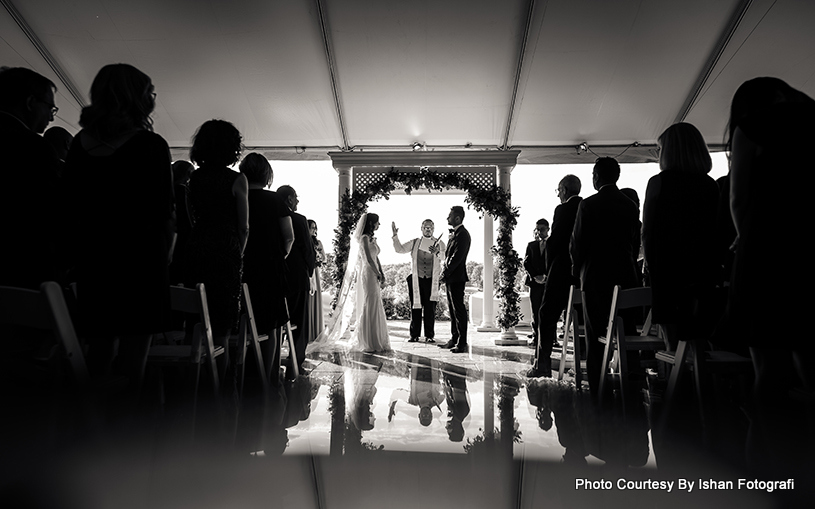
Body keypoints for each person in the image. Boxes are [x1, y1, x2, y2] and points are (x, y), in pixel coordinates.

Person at [62, 63, 176, 400]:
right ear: (136, 97)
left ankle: (92, 427)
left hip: (94, 262)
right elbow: (164, 213)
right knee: (134, 359)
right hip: (141, 262)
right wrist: (163, 260)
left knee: (97, 353)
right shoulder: (151, 146)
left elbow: (69, 208)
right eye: (150, 91)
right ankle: (126, 430)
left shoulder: (78, 146)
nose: (154, 97)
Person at [724, 77, 815, 475]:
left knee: (770, 371)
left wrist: (747, 241)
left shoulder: (752, 129)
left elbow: (739, 198)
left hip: (769, 253)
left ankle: (770, 471)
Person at [642, 122, 719, 351]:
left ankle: (676, 384)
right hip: (702, 269)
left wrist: (648, 263)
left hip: (667, 268)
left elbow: (648, 230)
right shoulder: (710, 185)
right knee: (699, 337)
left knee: (672, 343)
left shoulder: (658, 183)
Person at [570, 157, 641, 396]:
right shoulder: (629, 205)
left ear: (597, 176)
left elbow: (577, 245)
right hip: (626, 277)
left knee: (595, 335)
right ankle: (630, 385)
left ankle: (597, 389)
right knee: (627, 333)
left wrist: (576, 274)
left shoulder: (588, 205)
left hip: (596, 278)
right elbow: (635, 243)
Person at [185, 119, 248, 372]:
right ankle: (218, 387)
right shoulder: (237, 179)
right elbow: (244, 226)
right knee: (221, 326)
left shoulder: (194, 179)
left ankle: (192, 382)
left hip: (198, 247)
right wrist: (237, 252)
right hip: (226, 252)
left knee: (196, 318)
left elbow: (192, 219)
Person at [0, 67, 63, 289]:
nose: (50, 117)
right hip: (20, 271)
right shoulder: (33, 148)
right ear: (29, 102)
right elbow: (47, 214)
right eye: (49, 108)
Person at [239, 154, 293, 384]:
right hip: (270, 267)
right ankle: (268, 373)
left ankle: (242, 370)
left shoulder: (236, 196)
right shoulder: (275, 201)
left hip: (242, 266)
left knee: (241, 318)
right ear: (267, 174)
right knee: (272, 323)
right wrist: (279, 256)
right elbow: (288, 237)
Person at [306, 212, 390, 354]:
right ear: (371, 223)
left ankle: (379, 339)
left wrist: (382, 272)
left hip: (375, 272)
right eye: (377, 222)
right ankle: (369, 340)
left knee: (376, 303)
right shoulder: (363, 238)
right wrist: (377, 273)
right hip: (368, 273)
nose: (379, 225)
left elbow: (376, 258)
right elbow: (369, 260)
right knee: (370, 303)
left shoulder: (373, 239)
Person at [527, 175, 582, 378]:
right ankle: (581, 365)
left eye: (559, 190)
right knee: (580, 320)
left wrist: (551, 271)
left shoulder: (563, 209)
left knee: (546, 316)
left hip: (562, 274)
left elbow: (556, 242)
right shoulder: (587, 206)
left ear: (565, 190)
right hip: (582, 275)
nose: (558, 194)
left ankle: (542, 365)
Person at [277, 185, 317, 370]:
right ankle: (296, 358)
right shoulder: (299, 220)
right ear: (289, 199)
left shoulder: (271, 218)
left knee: (276, 319)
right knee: (299, 322)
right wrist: (309, 272)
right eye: (296, 197)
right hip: (297, 277)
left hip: (277, 275)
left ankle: (274, 355)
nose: (298, 201)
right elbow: (308, 251)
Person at [391, 219, 446, 343]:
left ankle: (429, 336)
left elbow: (446, 257)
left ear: (434, 229)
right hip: (417, 279)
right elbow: (399, 249)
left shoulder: (440, 243)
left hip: (432, 280)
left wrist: (437, 252)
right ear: (421, 228)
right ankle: (414, 335)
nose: (428, 229)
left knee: (430, 308)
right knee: (415, 307)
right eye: (425, 227)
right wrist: (395, 236)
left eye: (430, 227)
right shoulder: (415, 242)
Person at [439, 206, 471, 354]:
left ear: (457, 218)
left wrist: (445, 273)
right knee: (452, 311)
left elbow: (456, 258)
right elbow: (447, 257)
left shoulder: (463, 235)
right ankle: (454, 338)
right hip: (451, 277)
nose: (447, 218)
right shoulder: (455, 234)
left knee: (459, 310)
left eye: (449, 216)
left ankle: (462, 342)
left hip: (457, 277)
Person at [523, 219, 549, 346]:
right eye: (537, 229)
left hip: (548, 283)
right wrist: (535, 276)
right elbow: (526, 263)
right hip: (534, 283)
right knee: (535, 310)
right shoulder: (531, 245)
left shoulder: (553, 244)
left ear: (548, 229)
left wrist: (545, 277)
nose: (539, 232)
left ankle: (551, 338)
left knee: (549, 311)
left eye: (542, 229)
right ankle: (536, 337)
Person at [168, 160, 194, 286]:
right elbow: (188, 222)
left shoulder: (168, 192)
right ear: (188, 175)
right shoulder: (184, 193)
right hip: (183, 245)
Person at [305, 219, 326, 343]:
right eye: (311, 227)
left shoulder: (318, 243)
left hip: (315, 272)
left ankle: (316, 332)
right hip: (307, 272)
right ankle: (307, 331)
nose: (314, 230)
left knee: (315, 298)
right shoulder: (302, 241)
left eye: (315, 228)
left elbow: (324, 258)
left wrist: (319, 261)